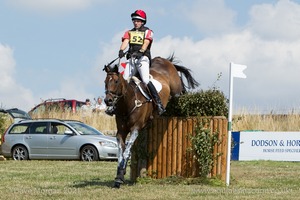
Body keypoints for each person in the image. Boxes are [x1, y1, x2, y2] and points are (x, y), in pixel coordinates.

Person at [117, 9, 166, 115]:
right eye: (134, 20)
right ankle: (116, 106)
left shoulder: (148, 32)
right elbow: (125, 42)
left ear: (143, 22)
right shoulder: (129, 32)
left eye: (138, 21)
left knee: (145, 80)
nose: (135, 22)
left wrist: (141, 51)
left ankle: (158, 104)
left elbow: (146, 43)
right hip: (132, 59)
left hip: (142, 58)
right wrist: (121, 50)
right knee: (124, 81)